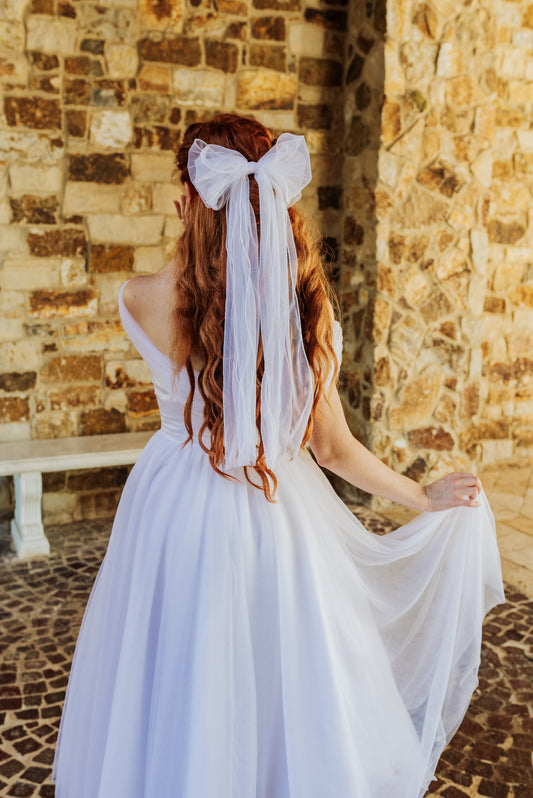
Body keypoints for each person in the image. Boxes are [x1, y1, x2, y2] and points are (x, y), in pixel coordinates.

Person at [52, 113, 504, 798]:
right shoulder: (307, 313)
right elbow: (330, 447)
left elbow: (192, 292)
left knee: (175, 667)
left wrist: (195, 234)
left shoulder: (138, 300)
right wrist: (420, 496)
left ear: (191, 198)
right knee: (285, 670)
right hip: (276, 509)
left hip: (174, 507)